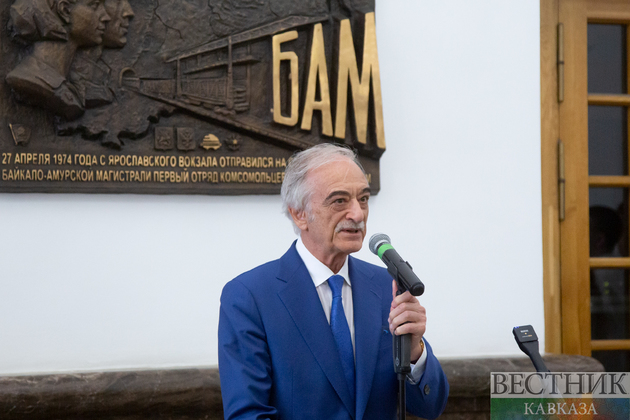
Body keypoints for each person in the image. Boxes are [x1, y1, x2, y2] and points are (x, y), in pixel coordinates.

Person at [218, 143, 449, 419]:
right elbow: (247, 414)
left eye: (363, 199)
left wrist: (414, 352)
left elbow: (430, 407)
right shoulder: (250, 297)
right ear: (299, 214)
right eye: (339, 201)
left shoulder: (385, 287)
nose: (358, 214)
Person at [6, 0, 110, 120]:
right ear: (64, 10)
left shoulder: (64, 84)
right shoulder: (30, 80)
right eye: (95, 5)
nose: (106, 17)